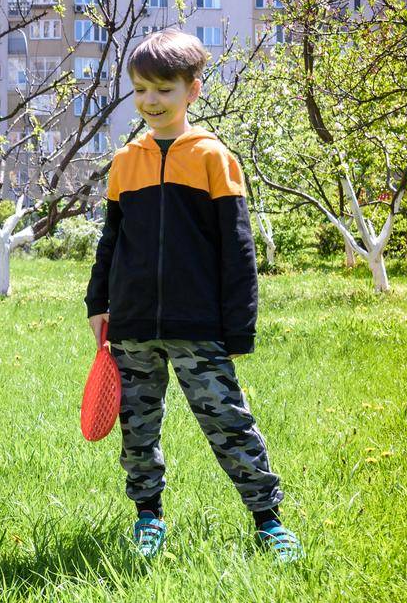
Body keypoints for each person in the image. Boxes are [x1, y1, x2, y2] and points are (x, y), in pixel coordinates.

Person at [85, 28, 301, 562]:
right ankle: (148, 516)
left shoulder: (214, 158)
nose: (150, 102)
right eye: (140, 90)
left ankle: (267, 521)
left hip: (197, 325)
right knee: (138, 432)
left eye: (163, 89)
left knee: (228, 421)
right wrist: (98, 304)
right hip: (132, 326)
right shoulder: (125, 161)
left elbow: (237, 250)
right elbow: (111, 239)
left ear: (192, 91)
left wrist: (238, 327)